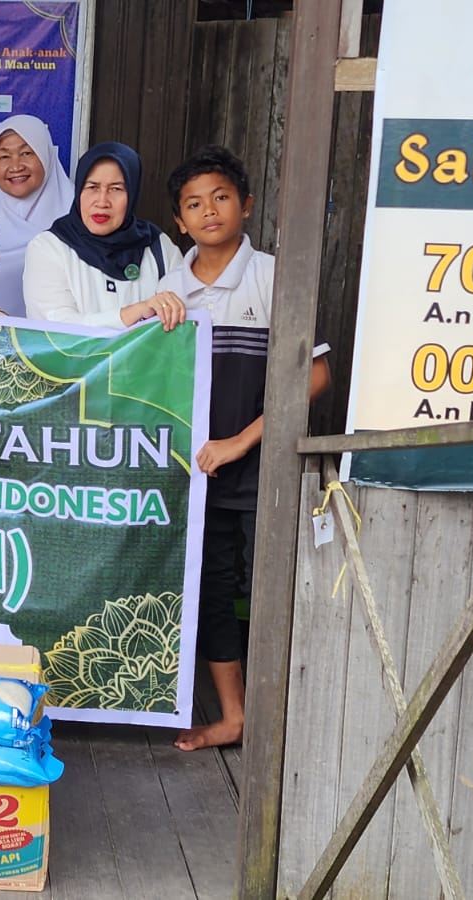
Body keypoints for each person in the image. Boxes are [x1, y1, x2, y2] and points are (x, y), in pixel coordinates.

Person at [154, 146, 331, 751]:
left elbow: (315, 377)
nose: (208, 211)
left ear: (247, 205)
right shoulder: (169, 289)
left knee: (274, 593)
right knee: (210, 594)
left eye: (221, 198)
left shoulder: (274, 276)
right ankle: (234, 717)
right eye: (193, 204)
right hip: (197, 475)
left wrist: (240, 441)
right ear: (179, 221)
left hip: (266, 473)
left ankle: (290, 725)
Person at [23, 142, 188, 330]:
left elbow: (180, 319)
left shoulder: (159, 246)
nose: (102, 202)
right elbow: (55, 328)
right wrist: (132, 313)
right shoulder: (49, 247)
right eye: (92, 187)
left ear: (133, 193)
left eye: (116, 189)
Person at [0, 114, 75, 316]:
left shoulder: (81, 217)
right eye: (4, 156)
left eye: (26, 153)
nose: (16, 166)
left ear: (46, 156)